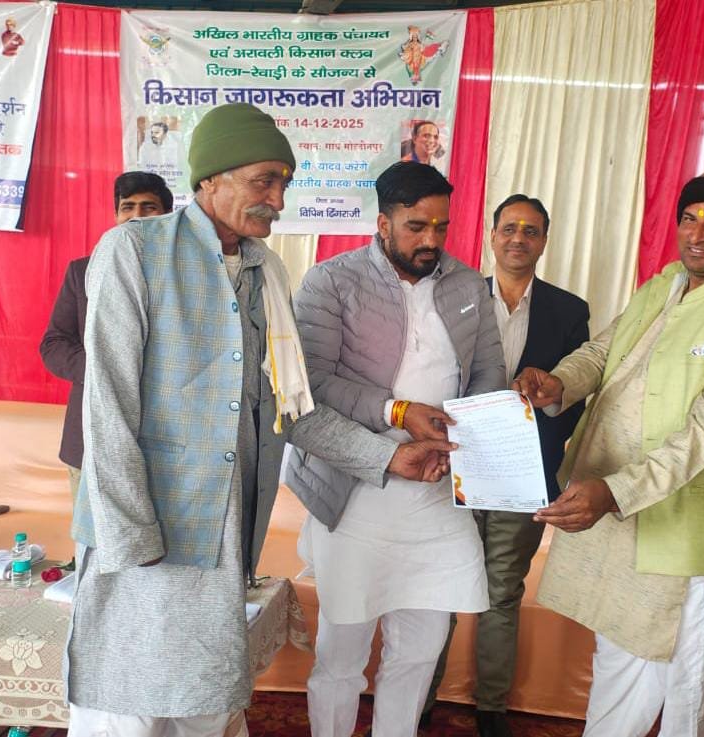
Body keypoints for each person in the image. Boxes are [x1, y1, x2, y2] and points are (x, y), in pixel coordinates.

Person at [64, 104, 453, 737]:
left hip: (224, 533)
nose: (277, 199)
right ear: (210, 178)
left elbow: (289, 409)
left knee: (205, 705)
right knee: (127, 708)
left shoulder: (265, 271)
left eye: (284, 183)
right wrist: (131, 540)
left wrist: (388, 456)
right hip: (147, 531)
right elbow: (107, 405)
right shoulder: (135, 250)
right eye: (263, 181)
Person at [521, 166, 704, 737]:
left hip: (687, 531)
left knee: (682, 677)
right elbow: (604, 352)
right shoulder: (664, 285)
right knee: (619, 652)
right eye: (689, 218)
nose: (696, 234)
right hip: (624, 511)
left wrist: (614, 492)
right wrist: (560, 382)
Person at [286, 161, 504, 737]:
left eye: (441, 226)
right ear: (382, 223)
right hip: (354, 490)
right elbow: (311, 385)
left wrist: (463, 439)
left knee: (420, 650)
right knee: (342, 654)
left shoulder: (467, 285)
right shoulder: (330, 281)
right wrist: (399, 414)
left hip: (435, 495)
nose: (431, 239)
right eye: (416, 226)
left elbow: (488, 371)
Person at [422, 194, 590, 736]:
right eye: (509, 228)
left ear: (544, 241)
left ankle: (491, 706)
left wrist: (541, 415)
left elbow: (576, 395)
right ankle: (420, 697)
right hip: (455, 469)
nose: (519, 238)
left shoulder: (569, 311)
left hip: (524, 475)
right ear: (492, 236)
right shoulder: (454, 298)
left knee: (502, 591)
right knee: (443, 585)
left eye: (531, 230)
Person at [38, 172, 173, 521]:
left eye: (149, 207)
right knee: (95, 542)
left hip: (166, 439)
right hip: (90, 439)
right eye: (127, 207)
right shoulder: (82, 271)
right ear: (115, 215)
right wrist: (109, 370)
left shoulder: (185, 276)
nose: (137, 217)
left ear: (167, 216)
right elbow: (54, 344)